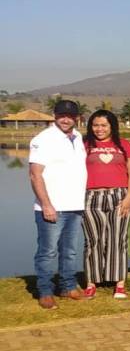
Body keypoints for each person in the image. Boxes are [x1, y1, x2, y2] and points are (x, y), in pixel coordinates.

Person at [29, 99, 88, 309]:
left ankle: (67, 287)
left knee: (70, 251)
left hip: (75, 206)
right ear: (55, 116)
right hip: (52, 207)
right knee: (47, 252)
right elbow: (35, 175)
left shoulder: (78, 137)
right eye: (62, 115)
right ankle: (45, 291)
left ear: (76, 118)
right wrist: (46, 205)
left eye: (70, 116)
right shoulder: (43, 139)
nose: (66, 119)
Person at [82, 110, 130, 299]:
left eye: (104, 125)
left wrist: (128, 198)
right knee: (93, 240)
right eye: (95, 125)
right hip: (91, 197)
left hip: (119, 196)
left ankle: (119, 283)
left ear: (112, 126)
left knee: (118, 239)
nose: (99, 129)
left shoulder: (124, 145)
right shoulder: (84, 145)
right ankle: (91, 282)